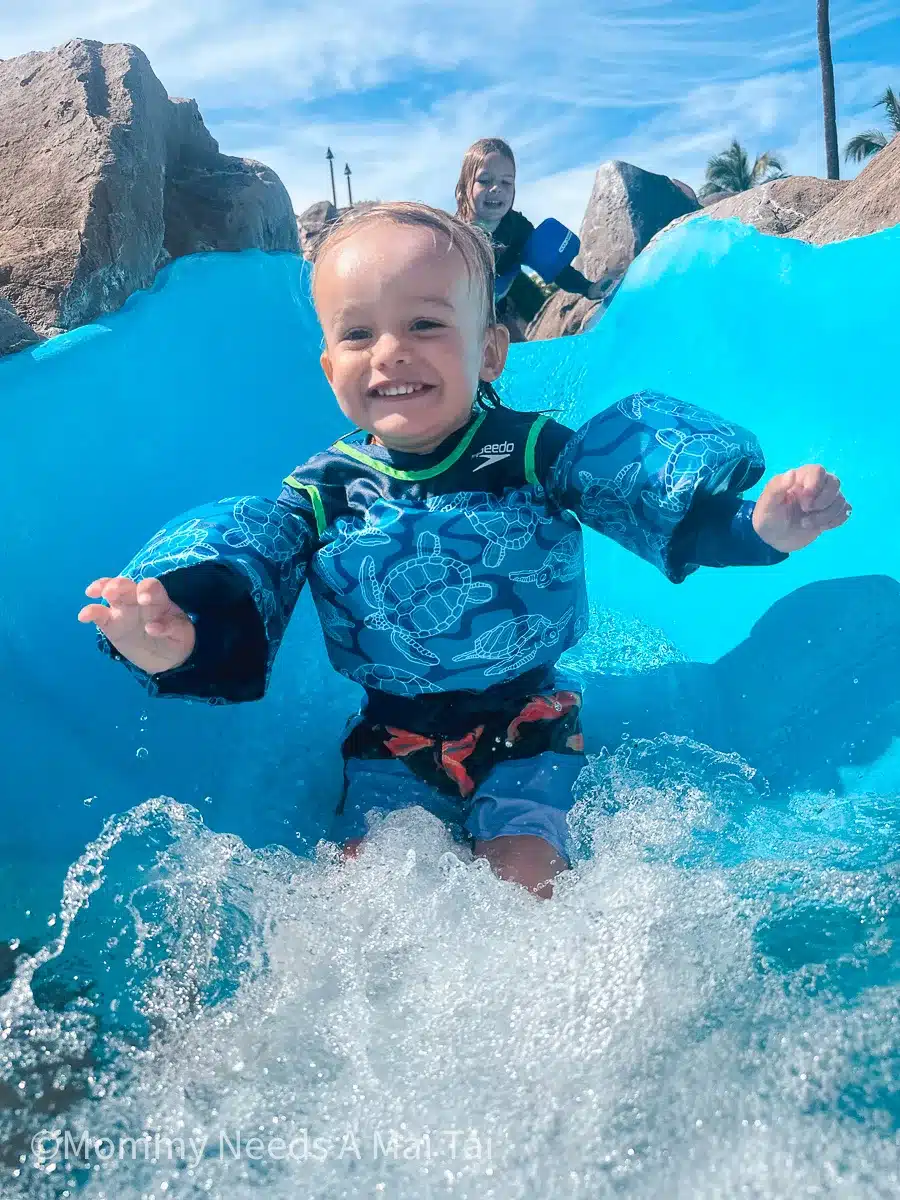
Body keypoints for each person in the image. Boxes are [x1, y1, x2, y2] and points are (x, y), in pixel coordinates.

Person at [78, 202, 850, 899]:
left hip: (529, 716)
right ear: (329, 367)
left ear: (489, 353)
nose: (390, 353)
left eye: (424, 325)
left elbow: (646, 496)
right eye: (358, 333)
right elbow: (249, 570)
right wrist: (172, 640)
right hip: (391, 734)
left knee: (523, 876)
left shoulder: (535, 451)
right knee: (369, 895)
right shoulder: (321, 490)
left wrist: (761, 527)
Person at [455, 137, 616, 339]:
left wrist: (588, 288)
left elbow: (556, 269)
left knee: (511, 356)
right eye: (485, 181)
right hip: (456, 317)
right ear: (463, 187)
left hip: (497, 312)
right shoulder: (453, 237)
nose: (496, 188)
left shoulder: (518, 229)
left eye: (506, 182)